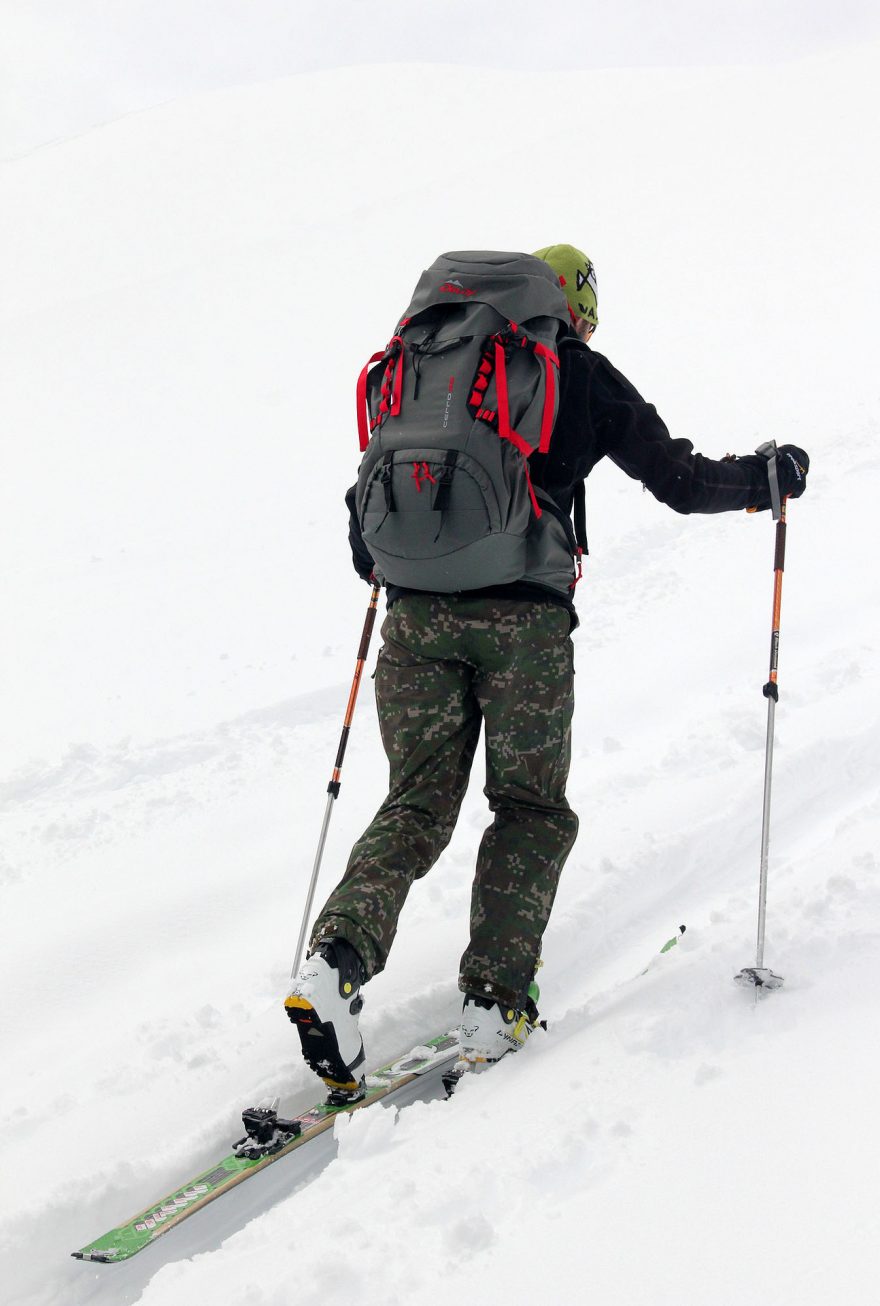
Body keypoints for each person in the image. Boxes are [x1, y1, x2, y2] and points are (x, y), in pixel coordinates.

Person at [285, 244, 809, 1095]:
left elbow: (365, 521)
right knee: (528, 808)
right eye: (588, 311)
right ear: (569, 302)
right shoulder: (576, 370)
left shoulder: (425, 366)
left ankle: (334, 962)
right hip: (523, 624)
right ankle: (494, 1004)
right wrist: (768, 480)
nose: (589, 326)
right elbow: (677, 479)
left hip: (414, 616)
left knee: (415, 802)